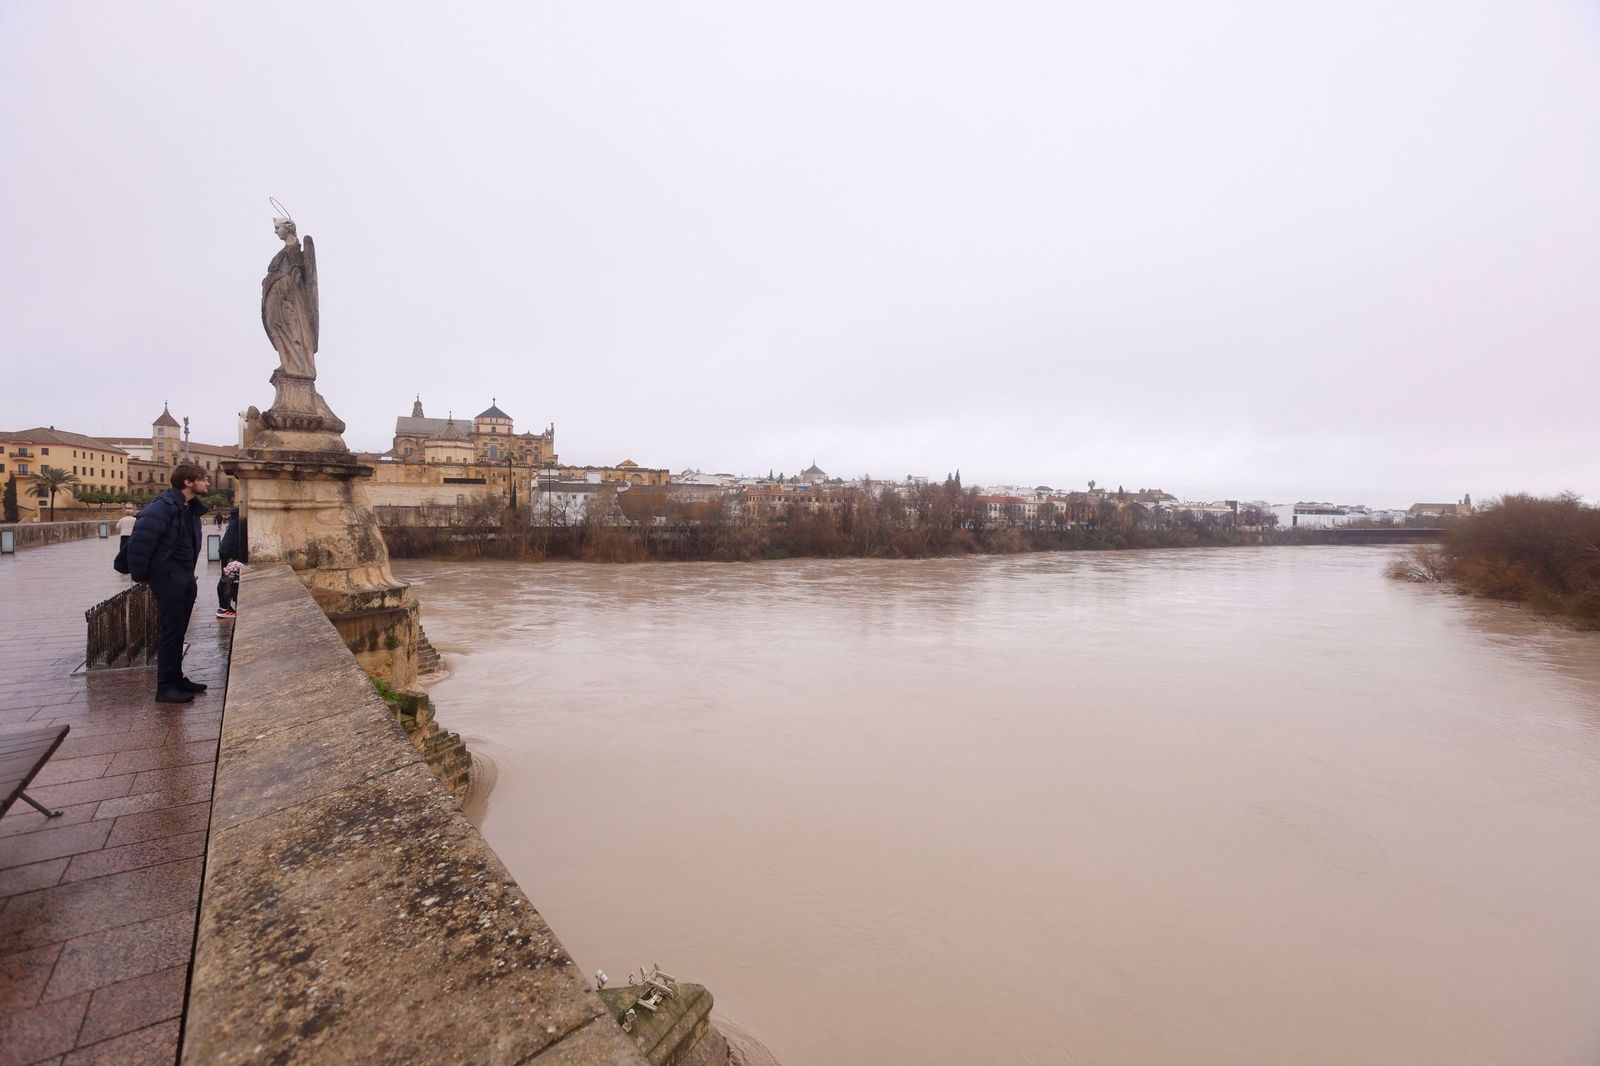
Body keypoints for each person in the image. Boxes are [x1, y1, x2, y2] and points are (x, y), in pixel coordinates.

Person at [127, 463, 211, 704]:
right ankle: (165, 687)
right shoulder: (162, 507)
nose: (207, 483)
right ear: (188, 482)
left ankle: (176, 678)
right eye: (203, 479)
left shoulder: (188, 508)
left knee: (178, 630)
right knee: (170, 632)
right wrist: (145, 575)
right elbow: (140, 542)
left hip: (183, 576)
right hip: (168, 577)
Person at [216, 507, 245, 618]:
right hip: (230, 550)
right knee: (227, 578)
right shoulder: (239, 521)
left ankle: (225, 606)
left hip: (225, 549)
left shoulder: (235, 520)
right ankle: (223, 608)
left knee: (225, 576)